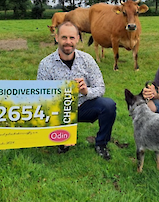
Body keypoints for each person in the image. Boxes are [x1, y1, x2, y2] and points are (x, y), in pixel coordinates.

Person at [37, 21, 117, 160]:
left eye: (72, 38)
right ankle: (61, 139)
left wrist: (86, 91)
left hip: (84, 106)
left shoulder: (87, 60)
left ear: (78, 38)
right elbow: (40, 96)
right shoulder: (46, 64)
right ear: (56, 38)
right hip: (59, 110)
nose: (68, 42)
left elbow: (100, 88)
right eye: (64, 37)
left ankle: (101, 143)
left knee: (108, 105)